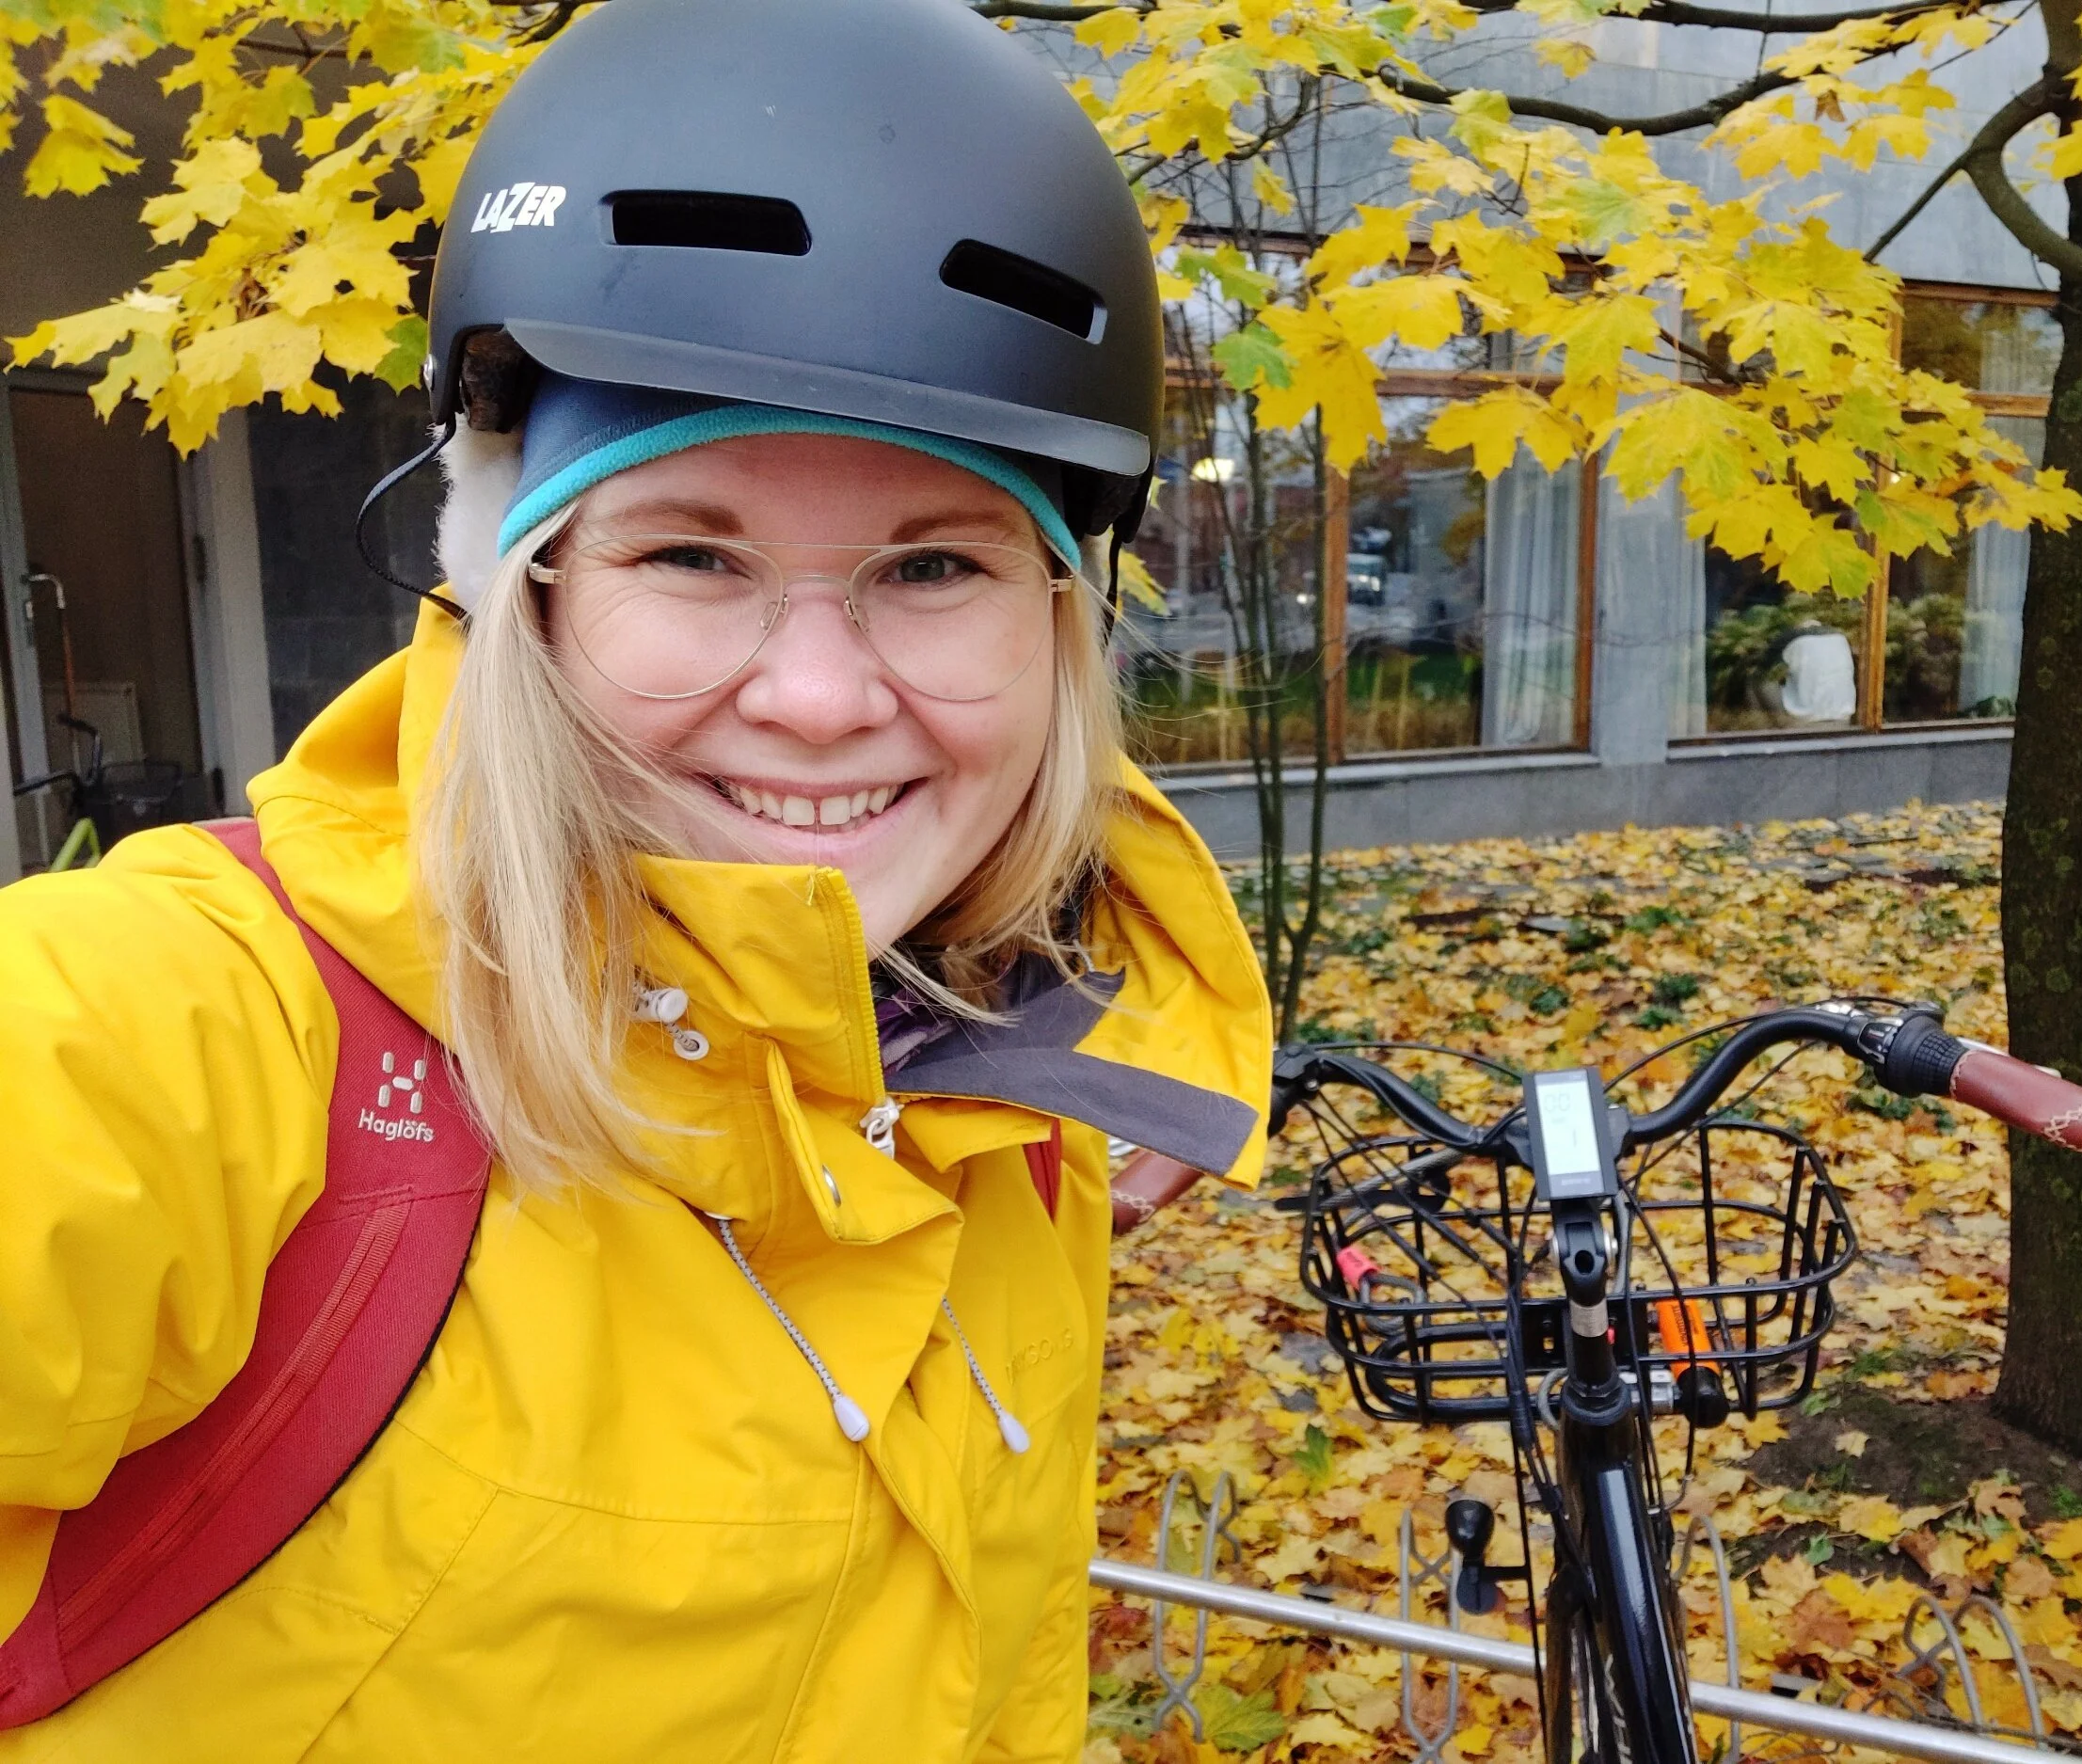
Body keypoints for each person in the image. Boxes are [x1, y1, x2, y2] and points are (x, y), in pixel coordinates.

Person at [0, 0, 1271, 1755]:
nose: (821, 699)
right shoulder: (167, 1030)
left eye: (931, 564)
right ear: (522, 586)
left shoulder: (1006, 1102)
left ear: (1059, 624)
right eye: (689, 550)